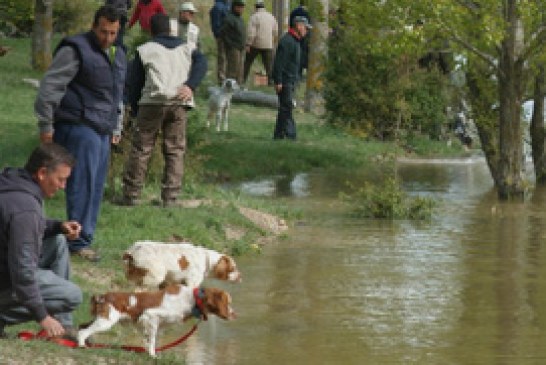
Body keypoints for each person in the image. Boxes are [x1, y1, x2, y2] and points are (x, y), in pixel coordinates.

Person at [34, 5, 127, 262]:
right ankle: (76, 243)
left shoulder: (118, 54)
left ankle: (84, 238)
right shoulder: (74, 49)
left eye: (113, 33)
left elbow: (117, 94)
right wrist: (46, 127)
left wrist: (116, 126)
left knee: (96, 186)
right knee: (82, 185)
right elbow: (49, 88)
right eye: (103, 32)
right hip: (77, 123)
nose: (107, 38)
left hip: (103, 128)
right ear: (93, 26)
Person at [118, 13, 207, 207]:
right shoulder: (187, 48)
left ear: (151, 30)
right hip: (178, 102)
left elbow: (135, 83)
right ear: (171, 28)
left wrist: (134, 108)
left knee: (142, 149)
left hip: (151, 102)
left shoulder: (145, 50)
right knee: (175, 150)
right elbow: (202, 63)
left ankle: (132, 194)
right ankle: (170, 197)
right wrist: (190, 86)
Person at [0, 144, 83, 339]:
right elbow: (23, 272)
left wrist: (57, 226)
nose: (63, 186)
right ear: (42, 173)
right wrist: (42, 316)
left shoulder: (11, 184)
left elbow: (15, 228)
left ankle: (63, 326)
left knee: (58, 241)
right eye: (60, 179)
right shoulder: (25, 209)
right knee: (72, 295)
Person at [272, 16, 311, 140]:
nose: (306, 31)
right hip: (285, 80)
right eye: (305, 28)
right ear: (298, 26)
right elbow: (279, 63)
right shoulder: (287, 41)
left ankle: (280, 135)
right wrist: (278, 81)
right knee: (286, 107)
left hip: (292, 80)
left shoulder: (297, 41)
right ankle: (289, 135)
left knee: (285, 108)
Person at [243, 0, 278, 87]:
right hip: (268, 45)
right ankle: (271, 82)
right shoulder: (271, 16)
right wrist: (272, 40)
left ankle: (242, 80)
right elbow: (275, 31)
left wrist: (248, 44)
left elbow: (251, 33)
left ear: (256, 7)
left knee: (247, 63)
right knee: (269, 65)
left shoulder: (254, 17)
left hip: (255, 44)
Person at [218, 0, 246, 85]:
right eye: (239, 7)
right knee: (233, 70)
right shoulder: (229, 18)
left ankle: (239, 86)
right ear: (234, 7)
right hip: (233, 48)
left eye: (242, 7)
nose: (241, 9)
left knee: (240, 70)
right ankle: (229, 87)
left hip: (241, 47)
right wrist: (230, 45)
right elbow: (223, 33)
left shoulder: (240, 18)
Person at [210, 0, 230, 84]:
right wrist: (218, 35)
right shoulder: (217, 6)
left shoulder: (229, 4)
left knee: (230, 57)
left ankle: (230, 78)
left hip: (231, 36)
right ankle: (221, 78)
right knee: (222, 57)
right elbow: (215, 22)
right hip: (222, 36)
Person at [289, 1, 310, 78]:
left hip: (295, 35)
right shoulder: (308, 13)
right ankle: (307, 72)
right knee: (305, 54)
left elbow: (290, 24)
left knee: (296, 53)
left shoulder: (294, 12)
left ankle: (298, 73)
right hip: (305, 36)